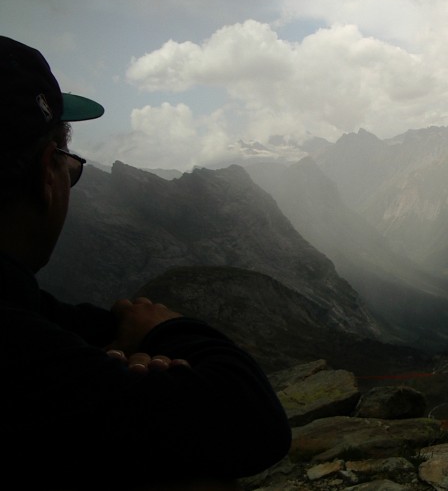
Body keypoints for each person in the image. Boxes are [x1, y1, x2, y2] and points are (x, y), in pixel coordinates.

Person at [0, 36, 291, 490]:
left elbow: (59, 322)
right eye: (68, 165)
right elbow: (252, 422)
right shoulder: (21, 356)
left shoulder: (22, 311)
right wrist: (163, 330)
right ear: (45, 173)